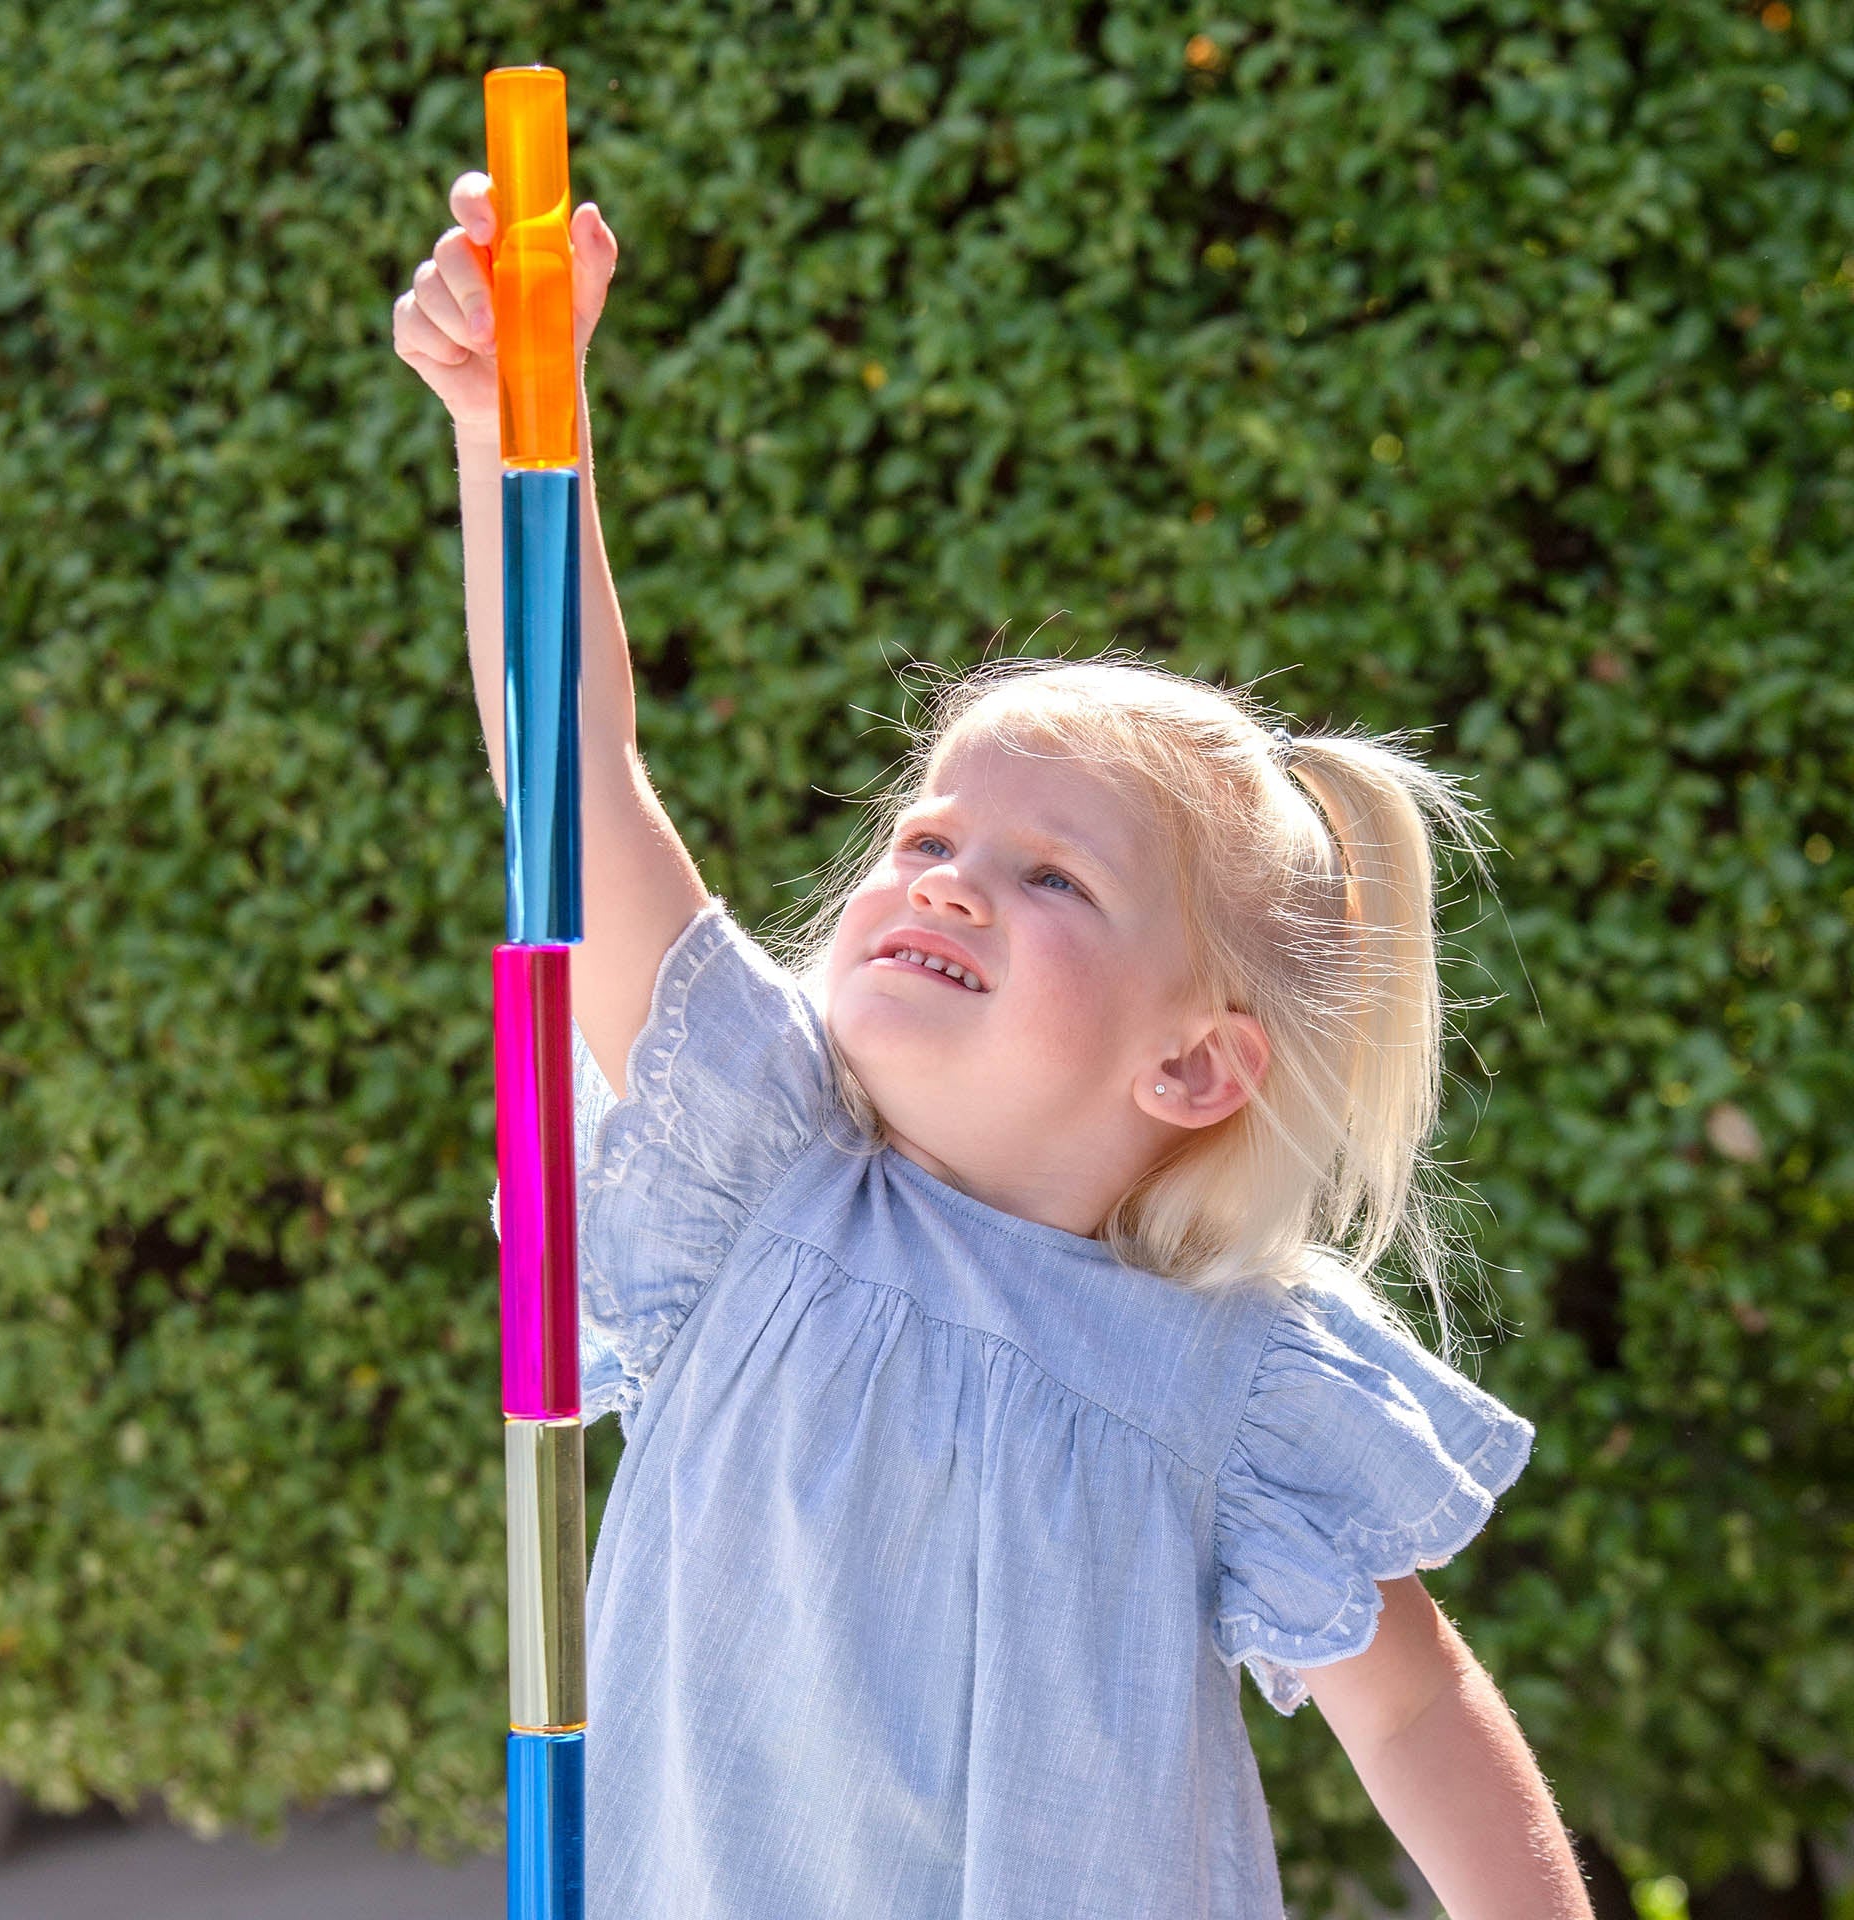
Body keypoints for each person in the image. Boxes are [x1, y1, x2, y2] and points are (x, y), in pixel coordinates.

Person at [394, 172, 1595, 1920]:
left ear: (1194, 1067)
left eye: (1052, 878)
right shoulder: (761, 1173)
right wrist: (519, 425)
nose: (946, 880)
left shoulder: (1234, 1379)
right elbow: (576, 788)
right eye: (931, 837)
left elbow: (1413, 1707)